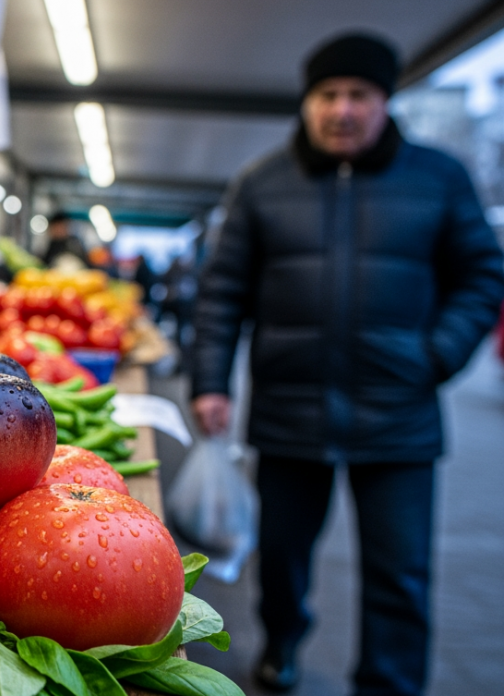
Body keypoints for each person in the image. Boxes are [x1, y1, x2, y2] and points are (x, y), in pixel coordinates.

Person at [191, 33, 504, 696]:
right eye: (328, 95)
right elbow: (223, 291)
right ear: (307, 103)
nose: (342, 109)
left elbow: (482, 275)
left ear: (385, 102)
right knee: (280, 557)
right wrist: (211, 381)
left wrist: (437, 353)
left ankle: (388, 683)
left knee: (400, 571)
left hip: (400, 412)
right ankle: (282, 641)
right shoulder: (262, 182)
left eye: (359, 95)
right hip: (288, 409)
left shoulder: (439, 179)